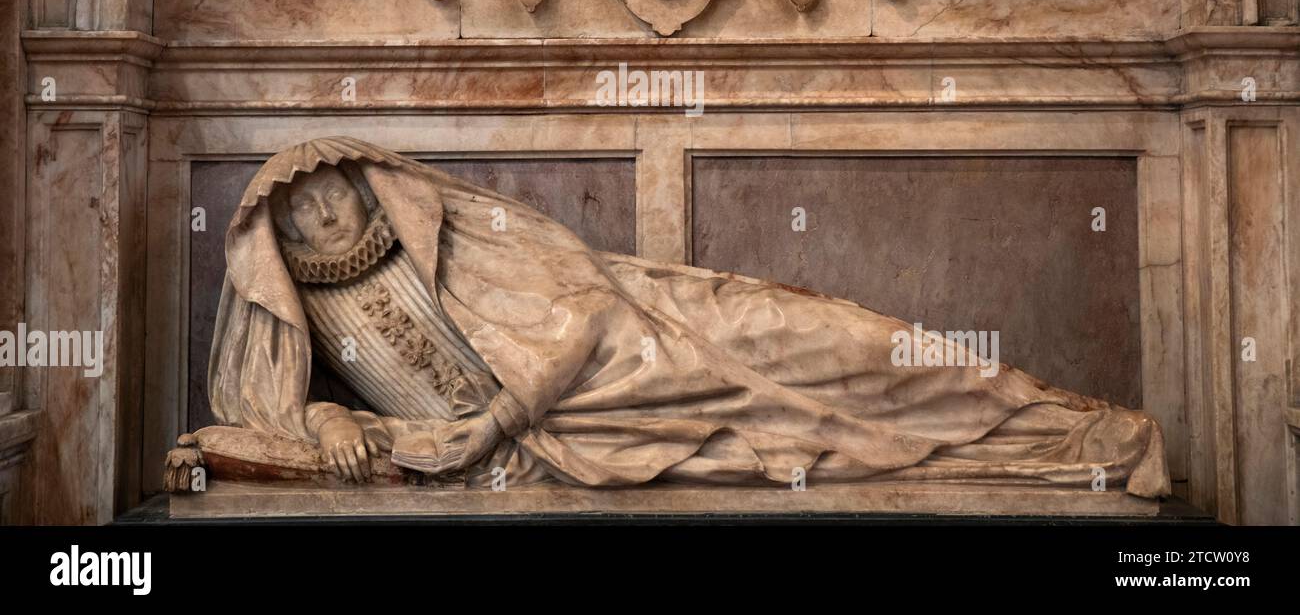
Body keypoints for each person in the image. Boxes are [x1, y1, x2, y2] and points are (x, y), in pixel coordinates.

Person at [209, 136, 1170, 496]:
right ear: (276, 247)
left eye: (332, 188)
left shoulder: (459, 231)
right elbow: (270, 417)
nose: (323, 211)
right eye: (298, 211)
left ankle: (1065, 422)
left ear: (369, 185)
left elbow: (588, 312)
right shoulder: (302, 326)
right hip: (589, 434)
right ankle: (1053, 447)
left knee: (853, 345)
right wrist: (333, 419)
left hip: (658, 336)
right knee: (826, 443)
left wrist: (497, 421)